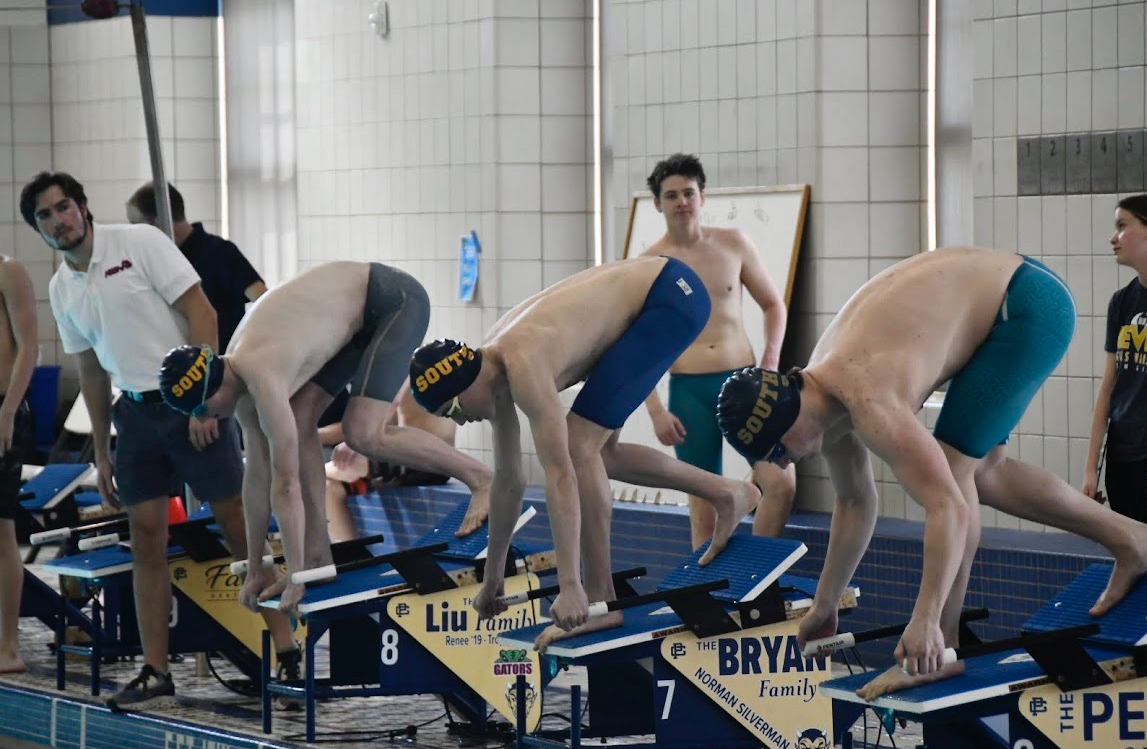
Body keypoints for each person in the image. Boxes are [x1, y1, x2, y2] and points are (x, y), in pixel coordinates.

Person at [715, 246, 1147, 701]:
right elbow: (856, 502)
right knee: (985, 473)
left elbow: (949, 510)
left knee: (956, 470)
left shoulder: (868, 397)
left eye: (777, 450)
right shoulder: (823, 394)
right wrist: (825, 605)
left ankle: (942, 648)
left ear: (788, 419)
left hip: (1026, 304)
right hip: (1010, 291)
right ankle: (1132, 538)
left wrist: (924, 621)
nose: (783, 463)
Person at [20, 171, 300, 710]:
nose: (59, 221)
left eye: (64, 208)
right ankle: (156, 671)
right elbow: (92, 370)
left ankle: (285, 648)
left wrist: (203, 396)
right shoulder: (61, 289)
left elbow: (203, 312)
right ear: (39, 228)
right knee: (144, 539)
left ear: (83, 207)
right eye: (45, 217)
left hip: (189, 403)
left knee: (239, 528)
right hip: (136, 418)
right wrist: (101, 448)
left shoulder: (141, 242)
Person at [408, 257, 762, 651]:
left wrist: (570, 586)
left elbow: (560, 476)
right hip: (658, 296)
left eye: (453, 410)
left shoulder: (523, 363)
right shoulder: (494, 372)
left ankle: (600, 598)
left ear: (465, 383)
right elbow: (508, 483)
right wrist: (493, 577)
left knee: (579, 445)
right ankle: (729, 493)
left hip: (671, 298)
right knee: (600, 451)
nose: (460, 422)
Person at [156, 261, 494, 616]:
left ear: (213, 390)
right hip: (354, 317)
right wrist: (256, 566)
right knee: (301, 420)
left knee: (362, 432)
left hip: (394, 300)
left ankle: (482, 478)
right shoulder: (236, 380)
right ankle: (318, 554)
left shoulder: (262, 375)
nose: (205, 419)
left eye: (201, 410)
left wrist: (295, 576)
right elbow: (256, 480)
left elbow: (285, 485)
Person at [637, 153, 796, 544]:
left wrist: (770, 364)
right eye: (671, 195)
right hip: (689, 392)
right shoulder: (649, 264)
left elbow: (774, 304)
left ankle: (759, 577)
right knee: (704, 505)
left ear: (702, 197)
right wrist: (656, 411)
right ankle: (708, 596)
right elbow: (636, 346)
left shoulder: (733, 244)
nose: (681, 202)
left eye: (689, 193)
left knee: (781, 484)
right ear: (657, 203)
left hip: (743, 382)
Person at [126, 182, 266, 352]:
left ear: (161, 221)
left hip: (222, 368)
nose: (134, 235)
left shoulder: (220, 253)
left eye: (137, 226)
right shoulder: (155, 264)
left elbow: (264, 303)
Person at [324, 388, 454, 543]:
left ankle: (350, 554)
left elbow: (387, 411)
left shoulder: (411, 368)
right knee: (330, 486)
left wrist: (355, 443)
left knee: (327, 470)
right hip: (412, 462)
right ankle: (351, 553)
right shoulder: (428, 367)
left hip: (424, 459)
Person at [1085, 195, 1147, 522]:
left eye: (1122, 226)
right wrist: (1090, 469)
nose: (1113, 237)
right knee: (1131, 551)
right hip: (1123, 456)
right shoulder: (1122, 302)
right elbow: (1108, 388)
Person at [0, 257, 38, 675]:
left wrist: (8, 410)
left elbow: (29, 344)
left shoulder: (8, 270)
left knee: (1, 526)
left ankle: (8, 646)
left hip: (2, 412)